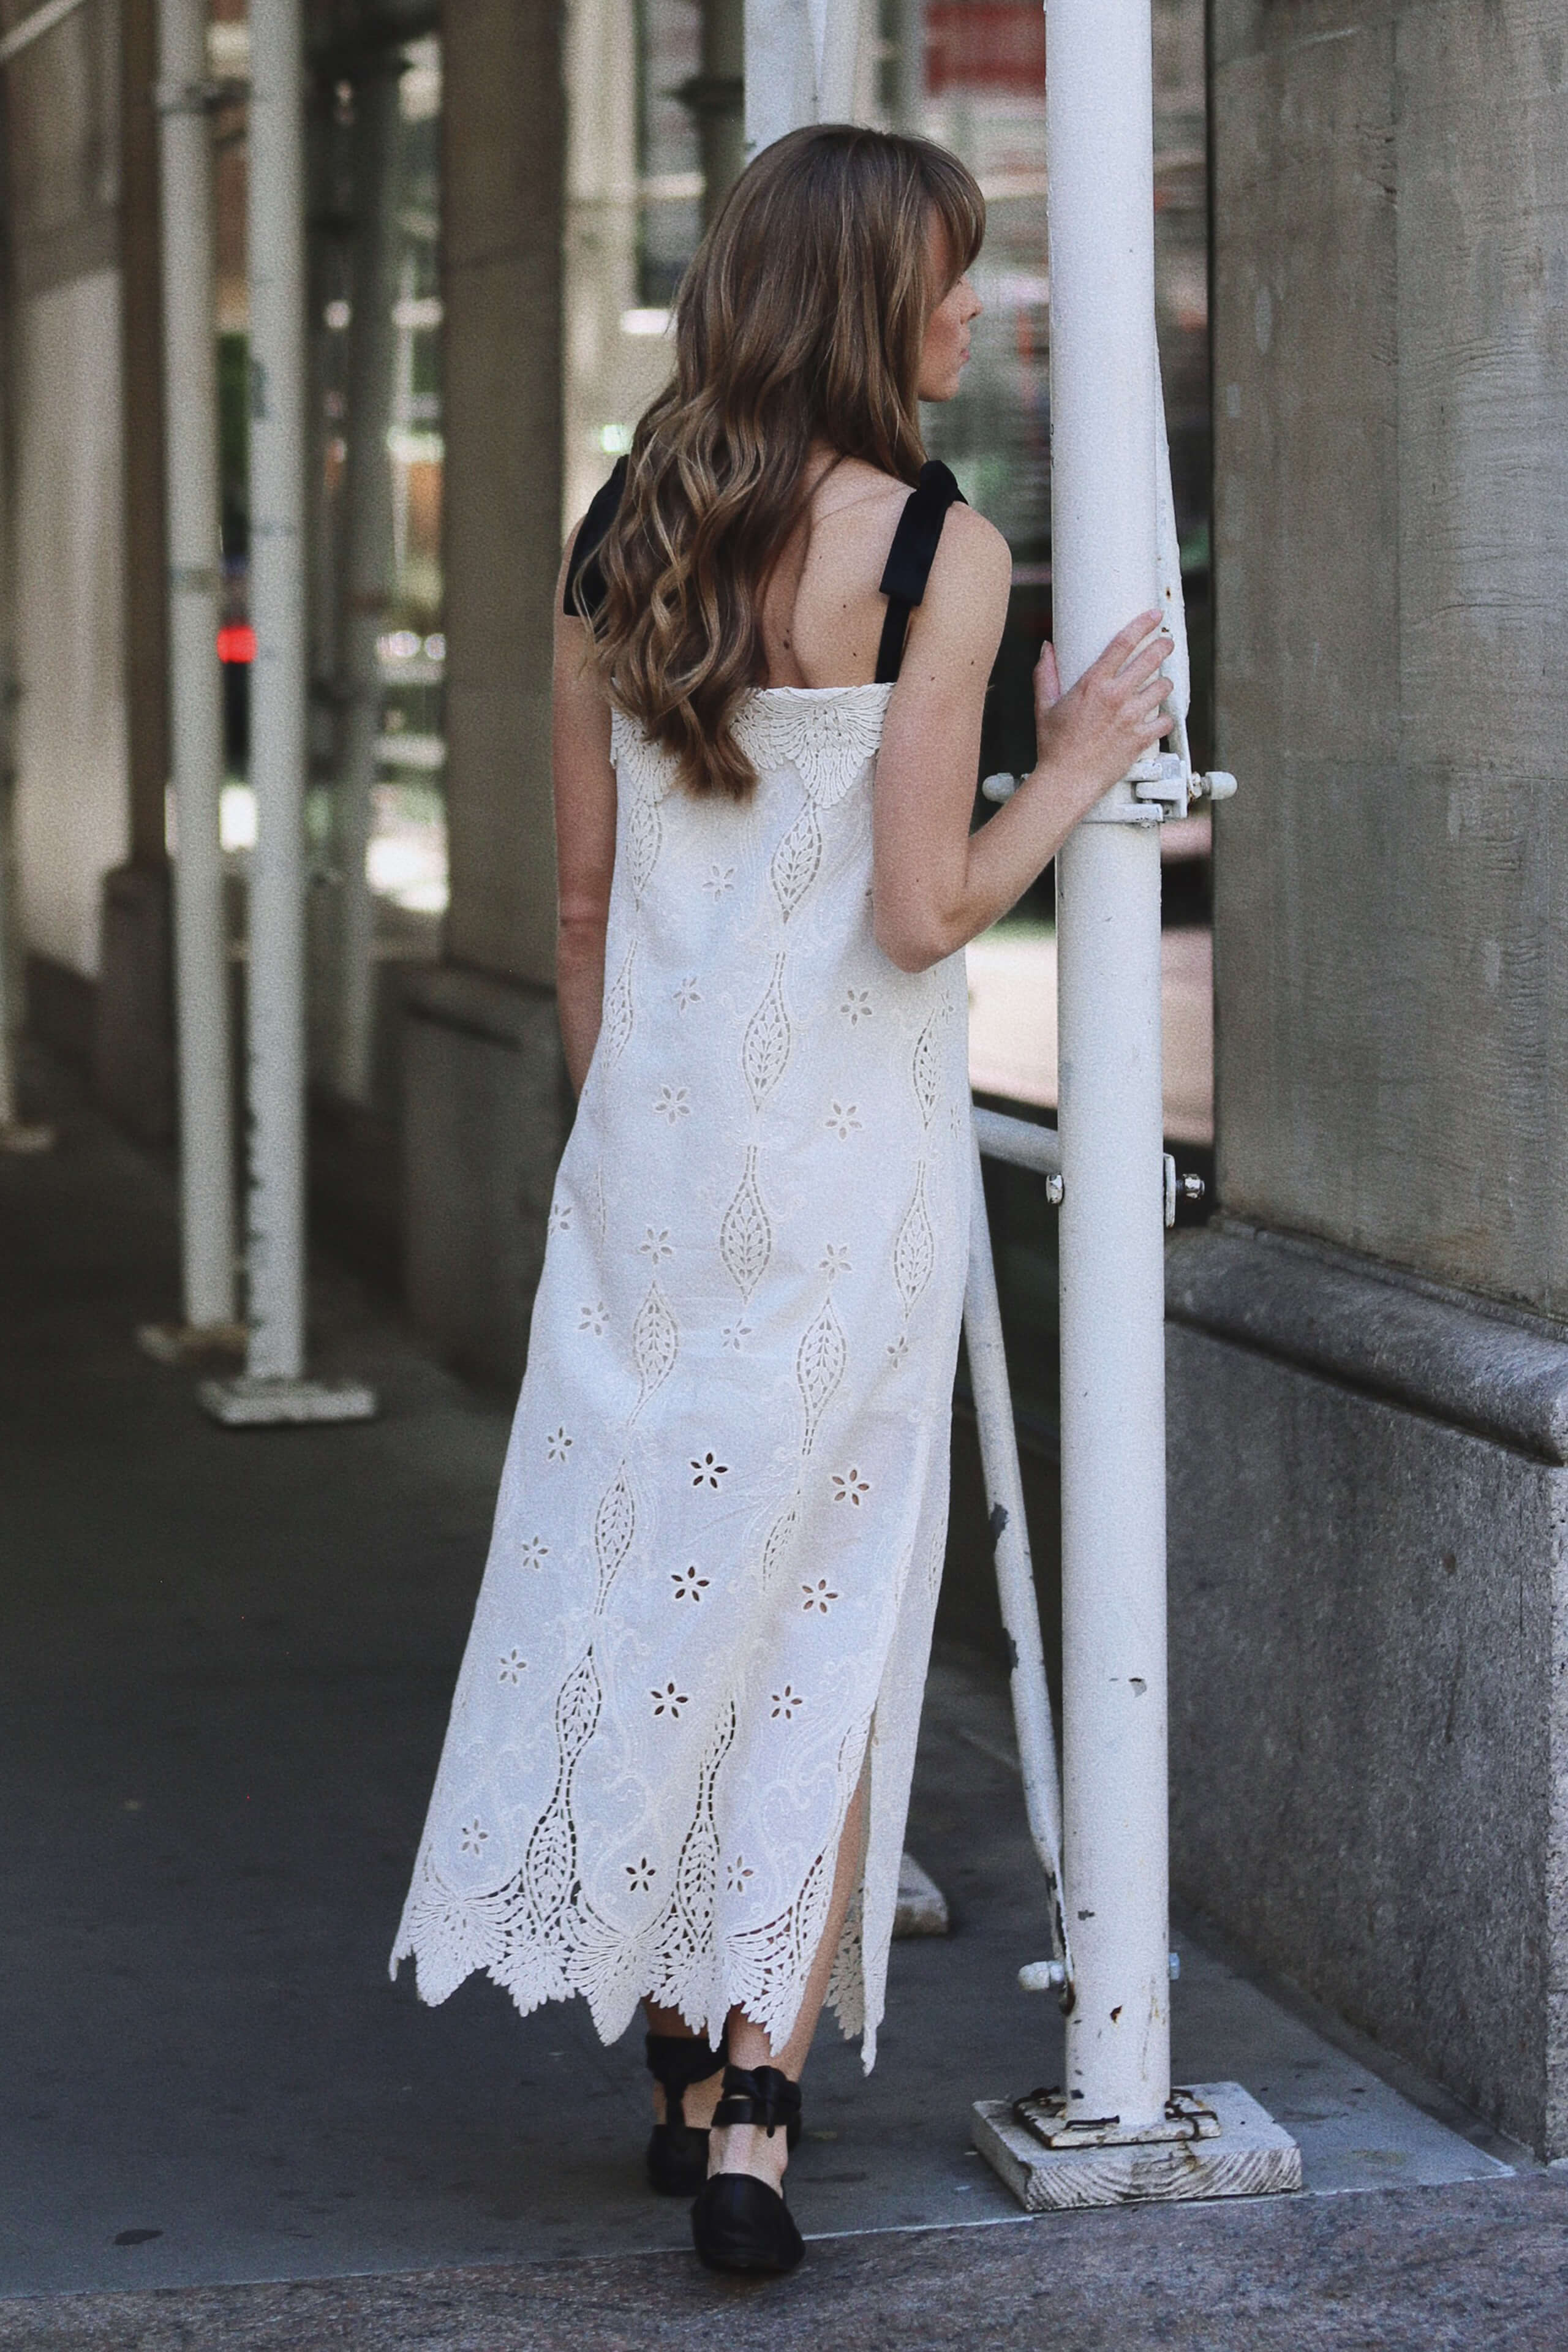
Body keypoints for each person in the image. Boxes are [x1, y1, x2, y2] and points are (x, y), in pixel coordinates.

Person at [391, 121, 1172, 2277]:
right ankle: (752, 2115)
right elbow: (923, 912)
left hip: (647, 1170)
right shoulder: (937, 552)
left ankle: (667, 2053)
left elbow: (583, 910)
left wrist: (632, 1143)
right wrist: (1074, 768)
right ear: (862, 300)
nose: (971, 308)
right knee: (821, 1616)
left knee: (655, 1586)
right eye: (946, 273)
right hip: (849, 1180)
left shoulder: (621, 534)